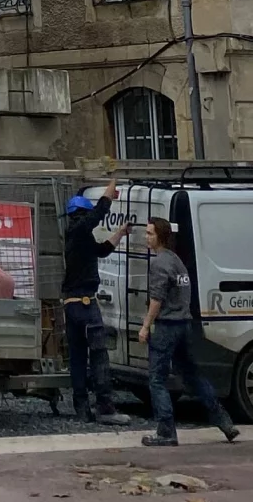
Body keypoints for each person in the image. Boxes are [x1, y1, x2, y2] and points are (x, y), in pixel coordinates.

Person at [137, 214, 239, 447]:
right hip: (184, 324)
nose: (146, 237)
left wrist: (145, 326)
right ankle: (224, 422)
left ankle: (166, 432)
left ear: (160, 237)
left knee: (157, 380)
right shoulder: (177, 261)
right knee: (192, 375)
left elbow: (156, 299)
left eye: (150, 233)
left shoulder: (160, 263)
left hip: (166, 326)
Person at [60, 185, 132, 423]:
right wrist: (109, 194)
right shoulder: (80, 229)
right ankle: (105, 406)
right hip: (85, 303)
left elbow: (101, 251)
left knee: (79, 357)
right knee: (99, 354)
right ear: (81, 213)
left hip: (72, 306)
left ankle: (82, 408)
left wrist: (120, 233)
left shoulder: (78, 237)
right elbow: (97, 214)